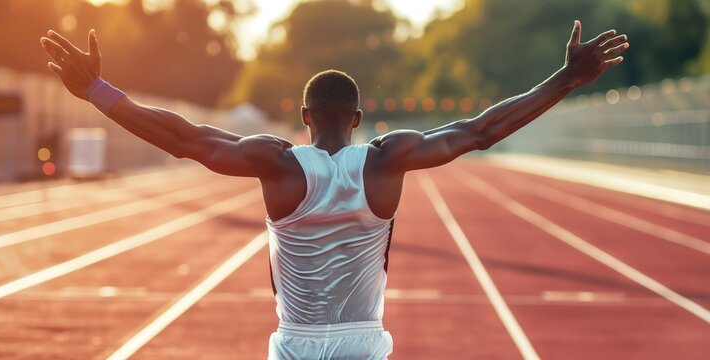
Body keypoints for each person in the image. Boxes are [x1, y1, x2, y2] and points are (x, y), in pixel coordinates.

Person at [40, 20, 628, 360]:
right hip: (363, 345)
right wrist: (568, 78)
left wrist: (98, 92)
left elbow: (184, 139)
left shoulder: (276, 165)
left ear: (303, 115)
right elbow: (480, 131)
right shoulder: (385, 161)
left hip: (294, 344)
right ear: (356, 118)